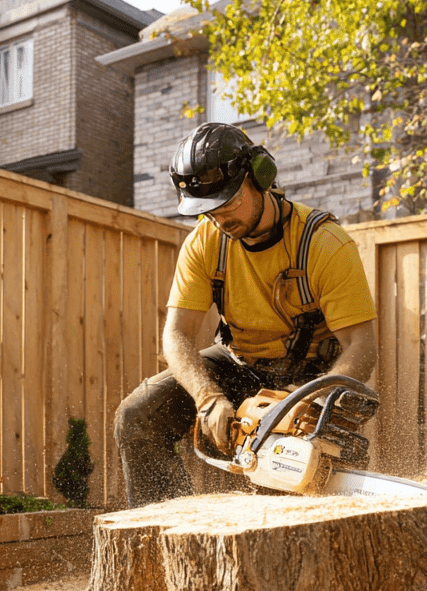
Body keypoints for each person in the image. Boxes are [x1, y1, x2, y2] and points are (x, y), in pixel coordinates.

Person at [114, 122, 378, 507]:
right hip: (236, 364)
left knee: (285, 480)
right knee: (137, 417)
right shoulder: (204, 241)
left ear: (261, 177)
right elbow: (176, 334)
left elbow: (362, 346)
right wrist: (207, 397)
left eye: (228, 203)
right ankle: (171, 534)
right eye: (208, 211)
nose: (219, 219)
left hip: (309, 379)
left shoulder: (324, 244)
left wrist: (303, 401)